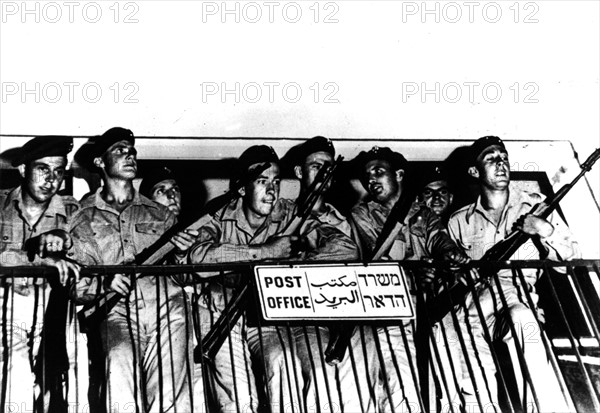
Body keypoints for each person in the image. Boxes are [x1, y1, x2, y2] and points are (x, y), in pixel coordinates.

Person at [446, 136, 580, 412]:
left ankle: (546, 408)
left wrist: (543, 229)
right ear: (474, 172)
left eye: (504, 156)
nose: (501, 163)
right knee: (471, 372)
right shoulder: (459, 220)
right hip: (474, 303)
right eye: (491, 158)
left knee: (524, 322)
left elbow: (570, 261)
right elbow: (450, 274)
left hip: (515, 296)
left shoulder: (535, 204)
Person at [70, 127, 191, 412]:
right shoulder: (80, 217)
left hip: (167, 309)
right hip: (115, 313)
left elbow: (183, 275)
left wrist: (184, 253)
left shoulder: (160, 214)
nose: (130, 155)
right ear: (99, 162)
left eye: (132, 151)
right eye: (120, 151)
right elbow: (76, 282)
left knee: (172, 394)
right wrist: (104, 284)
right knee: (119, 385)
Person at [350, 146, 468, 413]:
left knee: (448, 383)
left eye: (378, 171)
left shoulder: (422, 213)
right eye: (367, 175)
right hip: (390, 312)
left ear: (399, 174)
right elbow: (372, 260)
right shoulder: (362, 215)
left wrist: (450, 254)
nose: (371, 179)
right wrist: (410, 270)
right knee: (400, 386)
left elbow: (438, 237)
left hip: (430, 307)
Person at [0, 136, 80, 411]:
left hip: (56, 311)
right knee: (16, 371)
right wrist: (38, 260)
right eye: (43, 169)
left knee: (67, 384)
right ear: (23, 169)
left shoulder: (73, 211)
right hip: (8, 306)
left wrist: (66, 241)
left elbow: (90, 254)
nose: (52, 179)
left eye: (59, 171)